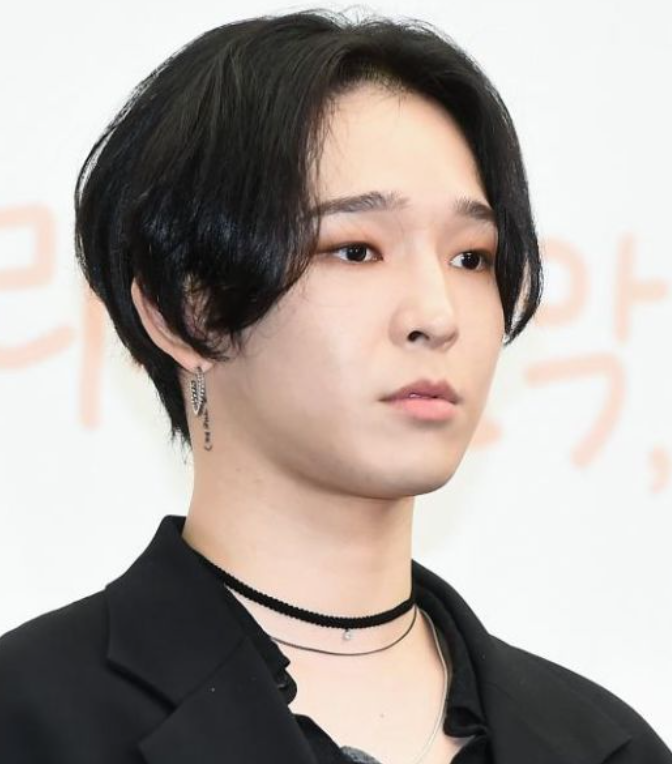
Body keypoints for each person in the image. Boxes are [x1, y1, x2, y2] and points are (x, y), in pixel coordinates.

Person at [0, 8, 669, 764]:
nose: (437, 316)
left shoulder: (604, 747)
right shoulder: (30, 721)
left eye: (471, 257)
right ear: (187, 312)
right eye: (356, 250)